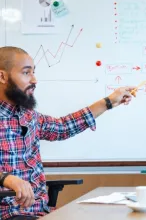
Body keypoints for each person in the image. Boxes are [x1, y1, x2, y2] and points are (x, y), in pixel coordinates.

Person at [0, 46, 136, 220]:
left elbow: (62, 128)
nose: (34, 80)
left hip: (41, 212)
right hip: (9, 214)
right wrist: (6, 178)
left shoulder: (28, 116)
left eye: (34, 72)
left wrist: (108, 102)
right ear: (2, 76)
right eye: (26, 73)